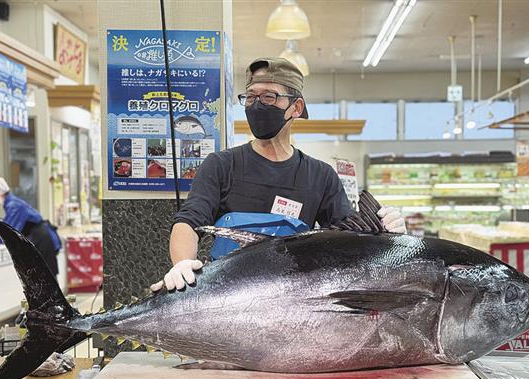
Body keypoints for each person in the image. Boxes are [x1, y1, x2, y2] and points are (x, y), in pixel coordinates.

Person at [151, 57, 405, 292]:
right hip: (225, 294)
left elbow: (349, 241)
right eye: (251, 97)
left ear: (296, 107)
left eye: (269, 97)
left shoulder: (320, 175)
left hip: (291, 299)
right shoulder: (222, 164)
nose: (257, 105)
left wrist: (385, 233)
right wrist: (182, 264)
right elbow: (189, 221)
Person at [0, 176, 62, 276]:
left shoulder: (14, 206)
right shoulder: (11, 203)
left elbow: (6, 232)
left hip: (41, 241)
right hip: (37, 238)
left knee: (46, 278)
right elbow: (6, 224)